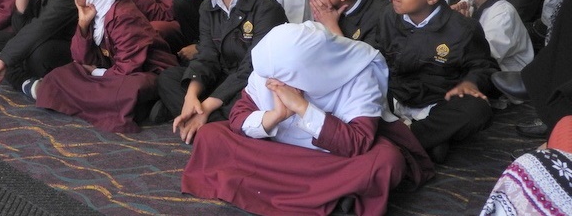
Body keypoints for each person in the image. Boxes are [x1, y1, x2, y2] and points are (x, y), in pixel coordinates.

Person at [181, 21, 434, 215]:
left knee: (386, 161)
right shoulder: (270, 66)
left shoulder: (356, 73)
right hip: (277, 149)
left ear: (310, 70)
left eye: (282, 78)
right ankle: (333, 195)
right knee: (211, 135)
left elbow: (358, 142)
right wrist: (274, 116)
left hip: (329, 157)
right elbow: (239, 115)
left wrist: (303, 108)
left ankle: (313, 190)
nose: (271, 84)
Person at [153, 0, 288, 138]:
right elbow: (206, 55)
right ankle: (206, 121)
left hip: (251, 82)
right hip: (222, 77)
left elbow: (251, 68)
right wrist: (191, 95)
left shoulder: (267, 10)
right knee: (168, 78)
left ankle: (200, 119)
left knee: (245, 102)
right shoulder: (209, 6)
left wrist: (207, 106)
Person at [34, 0, 178, 133]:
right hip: (112, 73)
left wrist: (95, 72)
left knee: (126, 90)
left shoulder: (124, 15)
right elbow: (81, 59)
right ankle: (126, 108)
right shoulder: (97, 9)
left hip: (148, 75)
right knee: (60, 74)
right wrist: (83, 25)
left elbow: (127, 69)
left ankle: (146, 104)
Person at [378, 0, 498, 162]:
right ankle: (430, 141)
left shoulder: (463, 29)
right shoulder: (389, 15)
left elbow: (484, 66)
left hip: (435, 104)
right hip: (394, 96)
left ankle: (408, 137)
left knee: (477, 110)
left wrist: (471, 82)